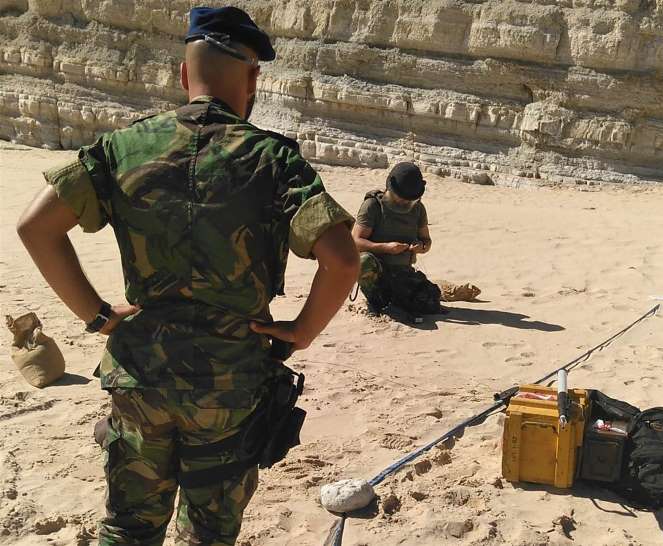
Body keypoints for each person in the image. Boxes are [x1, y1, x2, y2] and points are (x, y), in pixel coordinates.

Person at [16, 6, 359, 545]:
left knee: (128, 528)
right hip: (231, 384)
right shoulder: (272, 160)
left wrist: (98, 315)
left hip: (142, 377)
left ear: (183, 74)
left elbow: (36, 227)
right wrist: (303, 330)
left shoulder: (120, 149)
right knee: (208, 534)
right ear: (251, 78)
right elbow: (343, 259)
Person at [351, 162, 441, 316]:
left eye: (409, 199)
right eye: (402, 198)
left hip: (403, 273)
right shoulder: (373, 206)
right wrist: (386, 248)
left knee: (430, 301)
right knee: (363, 262)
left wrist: (421, 247)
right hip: (376, 273)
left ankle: (396, 299)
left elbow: (427, 240)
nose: (405, 202)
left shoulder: (418, 209)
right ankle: (376, 301)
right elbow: (355, 242)